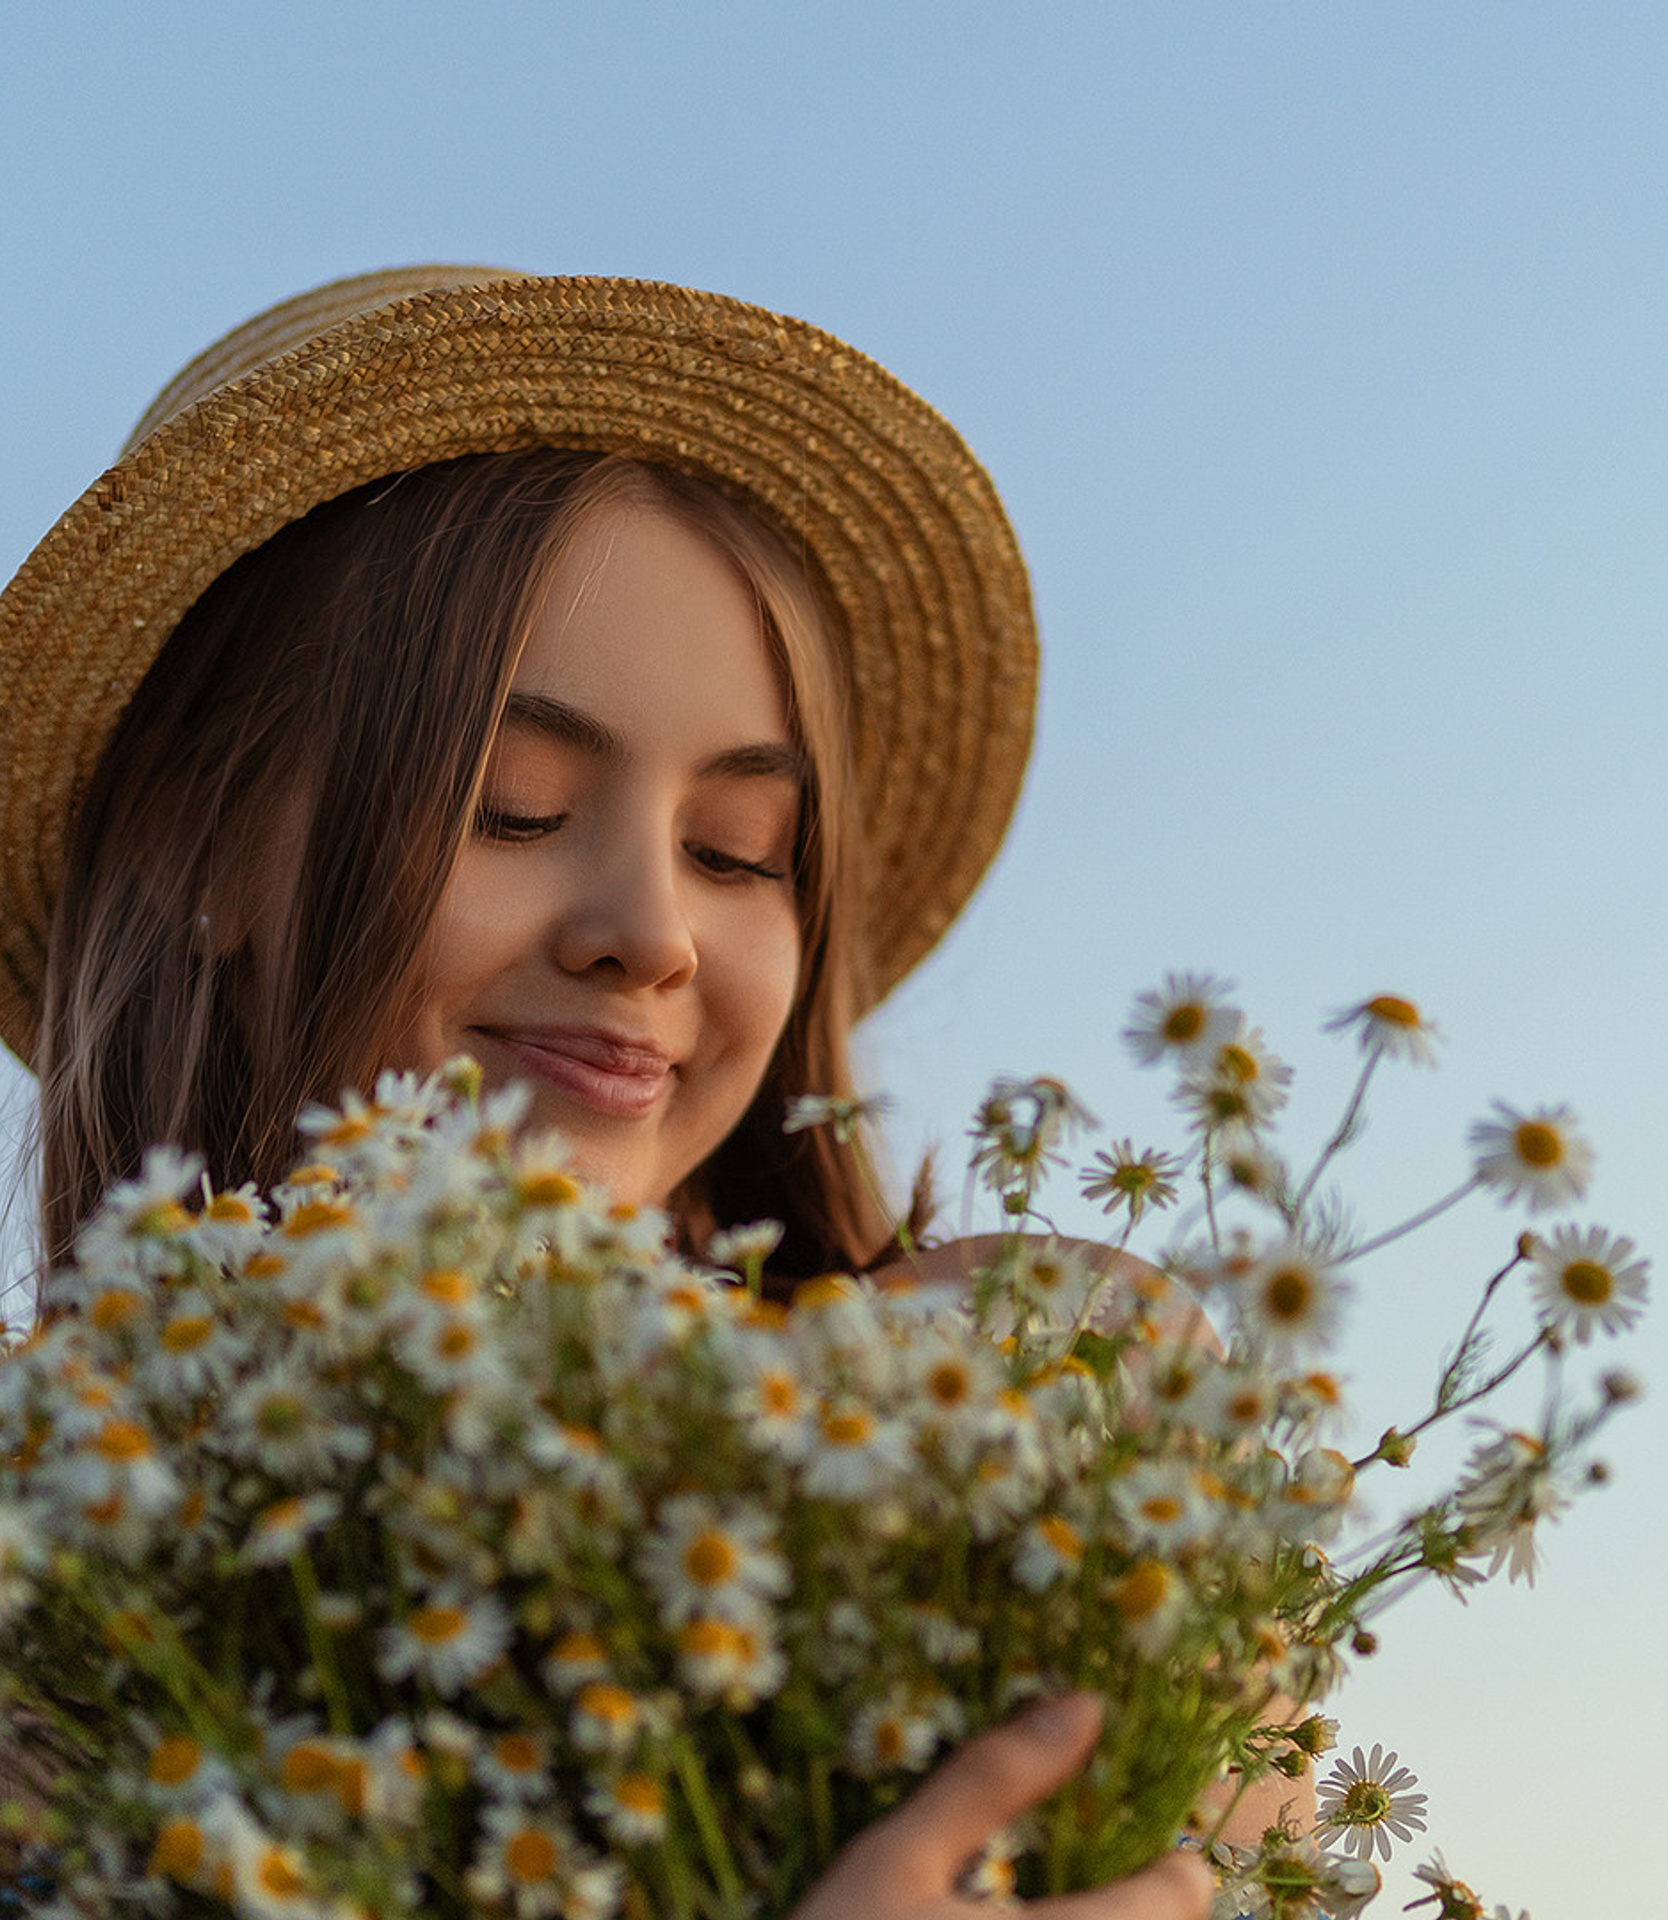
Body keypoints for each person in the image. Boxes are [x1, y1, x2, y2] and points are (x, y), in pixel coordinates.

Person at [0, 269, 1259, 1913]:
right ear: (193, 845)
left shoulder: (996, 1397)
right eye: (511, 808)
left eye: (741, 852)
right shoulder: (64, 1612)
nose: (653, 933)